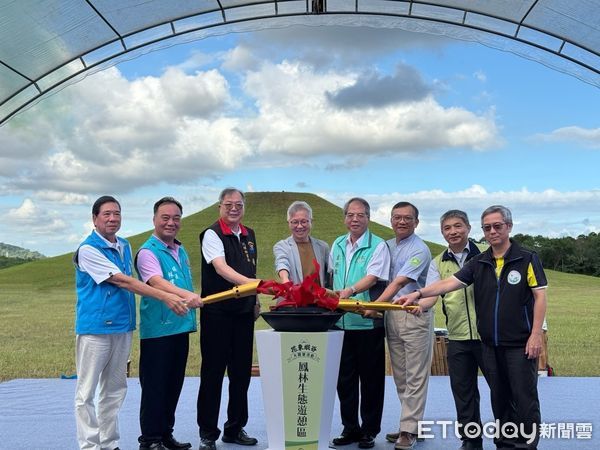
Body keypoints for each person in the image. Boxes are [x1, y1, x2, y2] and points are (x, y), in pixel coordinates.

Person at [398, 205, 547, 450]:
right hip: (484, 342)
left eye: (497, 226)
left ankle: (526, 445)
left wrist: (535, 334)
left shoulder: (526, 258)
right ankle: (495, 443)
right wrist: (418, 295)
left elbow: (540, 297)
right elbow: (448, 284)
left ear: (508, 227)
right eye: (487, 227)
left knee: (522, 398)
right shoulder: (480, 262)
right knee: (495, 398)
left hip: (516, 342)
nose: (492, 231)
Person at [74, 196, 190, 450]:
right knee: (86, 393)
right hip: (95, 328)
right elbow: (123, 281)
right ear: (94, 219)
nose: (112, 218)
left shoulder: (124, 245)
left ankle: (110, 443)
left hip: (122, 327)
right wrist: (168, 296)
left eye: (116, 213)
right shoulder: (88, 249)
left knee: (115, 389)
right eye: (106, 214)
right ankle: (90, 446)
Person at [413, 210, 486, 450]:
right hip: (457, 336)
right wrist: (417, 306)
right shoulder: (437, 262)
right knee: (463, 392)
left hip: (489, 336)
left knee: (502, 389)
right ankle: (470, 440)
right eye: (447, 228)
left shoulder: (486, 255)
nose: (453, 232)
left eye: (458, 226)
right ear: (442, 232)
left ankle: (508, 438)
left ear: (468, 228)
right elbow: (430, 295)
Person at [135, 197, 203, 450]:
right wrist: (188, 296)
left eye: (176, 218)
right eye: (165, 217)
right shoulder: (147, 252)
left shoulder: (180, 249)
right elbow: (156, 282)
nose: (171, 223)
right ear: (154, 220)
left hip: (180, 326)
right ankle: (150, 439)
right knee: (155, 385)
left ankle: (165, 434)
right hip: (158, 330)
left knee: (173, 384)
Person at [197, 188, 259, 450]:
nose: (234, 208)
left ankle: (235, 428)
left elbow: (250, 267)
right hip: (218, 313)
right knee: (213, 373)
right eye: (229, 204)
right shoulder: (211, 234)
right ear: (219, 206)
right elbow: (222, 269)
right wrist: (256, 285)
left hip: (243, 313)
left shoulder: (249, 235)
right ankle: (208, 433)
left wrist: (254, 298)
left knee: (241, 374)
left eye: (239, 204)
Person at [370, 202, 432, 450]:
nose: (402, 222)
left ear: (416, 222)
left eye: (408, 218)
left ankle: (408, 430)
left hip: (413, 315)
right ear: (391, 220)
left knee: (416, 375)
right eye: (397, 217)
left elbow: (398, 283)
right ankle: (412, 424)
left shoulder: (420, 249)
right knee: (401, 376)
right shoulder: (387, 246)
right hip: (392, 315)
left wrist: (374, 306)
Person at [329, 197, 391, 449]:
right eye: (350, 215)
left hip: (367, 322)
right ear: (344, 218)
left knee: (371, 380)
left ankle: (369, 430)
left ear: (368, 218)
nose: (355, 219)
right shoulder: (338, 244)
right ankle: (350, 428)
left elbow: (374, 276)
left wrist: (350, 290)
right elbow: (331, 274)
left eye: (360, 215)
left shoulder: (378, 245)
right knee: (344, 380)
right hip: (341, 323)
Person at [273, 200, 329, 286]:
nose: (299, 226)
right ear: (289, 223)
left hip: (318, 299)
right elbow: (282, 262)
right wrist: (285, 279)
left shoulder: (323, 247)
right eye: (295, 222)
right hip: (293, 298)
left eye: (304, 221)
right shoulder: (282, 246)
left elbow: (329, 275)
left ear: (311, 222)